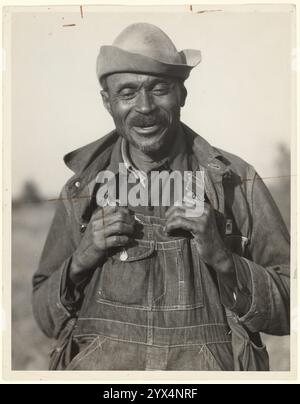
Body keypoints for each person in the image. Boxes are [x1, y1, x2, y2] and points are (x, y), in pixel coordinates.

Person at [32, 23, 290, 371]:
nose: (145, 106)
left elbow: (290, 308)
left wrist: (225, 259)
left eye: (159, 88)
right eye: (127, 92)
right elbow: (45, 316)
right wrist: (80, 260)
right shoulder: (82, 190)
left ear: (182, 94)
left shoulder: (235, 182)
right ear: (107, 102)